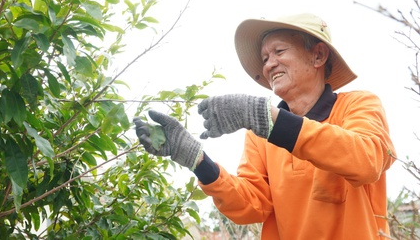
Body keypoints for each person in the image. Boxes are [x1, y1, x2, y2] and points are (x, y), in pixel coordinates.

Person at [134, 13, 396, 239]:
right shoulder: (261, 135)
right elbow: (250, 205)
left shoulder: (359, 104)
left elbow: (366, 159)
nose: (269, 64)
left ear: (318, 55)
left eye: (279, 52)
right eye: (265, 57)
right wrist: (198, 160)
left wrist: (268, 120)